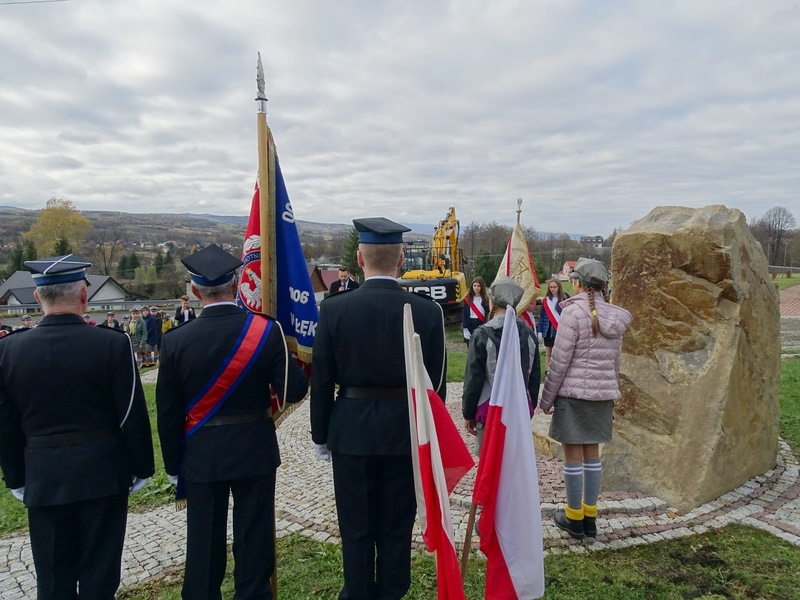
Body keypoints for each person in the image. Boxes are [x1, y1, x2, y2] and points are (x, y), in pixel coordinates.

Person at [156, 244, 309, 600]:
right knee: (253, 537)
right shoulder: (265, 331)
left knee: (204, 542)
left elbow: (167, 411)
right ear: (237, 281)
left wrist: (173, 466)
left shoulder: (175, 341)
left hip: (200, 452)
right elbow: (295, 390)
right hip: (253, 448)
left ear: (194, 291)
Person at [0, 254, 154, 599]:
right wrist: (142, 467)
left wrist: (16, 477)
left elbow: (5, 424)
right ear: (85, 297)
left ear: (38, 298)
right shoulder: (112, 344)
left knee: (54, 578)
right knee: (100, 575)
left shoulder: (8, 351)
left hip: (43, 474)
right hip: (102, 472)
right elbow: (131, 413)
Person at [311, 217, 446, 600]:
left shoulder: (335, 310)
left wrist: (321, 436)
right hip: (405, 431)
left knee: (354, 524)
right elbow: (435, 384)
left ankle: (356, 591)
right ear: (402, 258)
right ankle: (391, 591)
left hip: (351, 430)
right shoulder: (425, 312)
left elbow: (321, 381)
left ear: (359, 258)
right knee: (396, 524)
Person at [539, 258, 632, 540]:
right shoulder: (615, 317)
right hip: (601, 395)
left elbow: (560, 361)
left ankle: (573, 516)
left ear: (577, 283)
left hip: (573, 395)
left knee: (572, 457)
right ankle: (590, 516)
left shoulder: (573, 313)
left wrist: (547, 399)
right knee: (592, 455)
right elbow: (615, 363)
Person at [462, 277, 540, 455]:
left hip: (489, 408)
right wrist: (530, 406)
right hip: (519, 408)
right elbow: (534, 378)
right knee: (513, 463)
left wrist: (468, 412)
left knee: (490, 464)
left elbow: (474, 378)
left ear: (492, 302)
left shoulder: (481, 335)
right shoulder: (529, 334)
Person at [538, 278, 570, 371]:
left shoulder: (565, 298)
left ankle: (559, 370)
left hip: (560, 329)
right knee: (548, 352)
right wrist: (540, 330)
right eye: (551, 287)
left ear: (559, 287)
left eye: (554, 287)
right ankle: (548, 371)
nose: (552, 289)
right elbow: (543, 316)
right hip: (548, 330)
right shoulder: (546, 300)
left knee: (560, 352)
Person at [462, 275, 489, 344]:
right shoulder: (467, 299)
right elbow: (464, 315)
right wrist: (465, 329)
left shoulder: (486, 300)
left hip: (481, 324)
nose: (476, 288)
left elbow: (488, 314)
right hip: (470, 324)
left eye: (478, 286)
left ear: (481, 287)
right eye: (475, 285)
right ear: (472, 286)